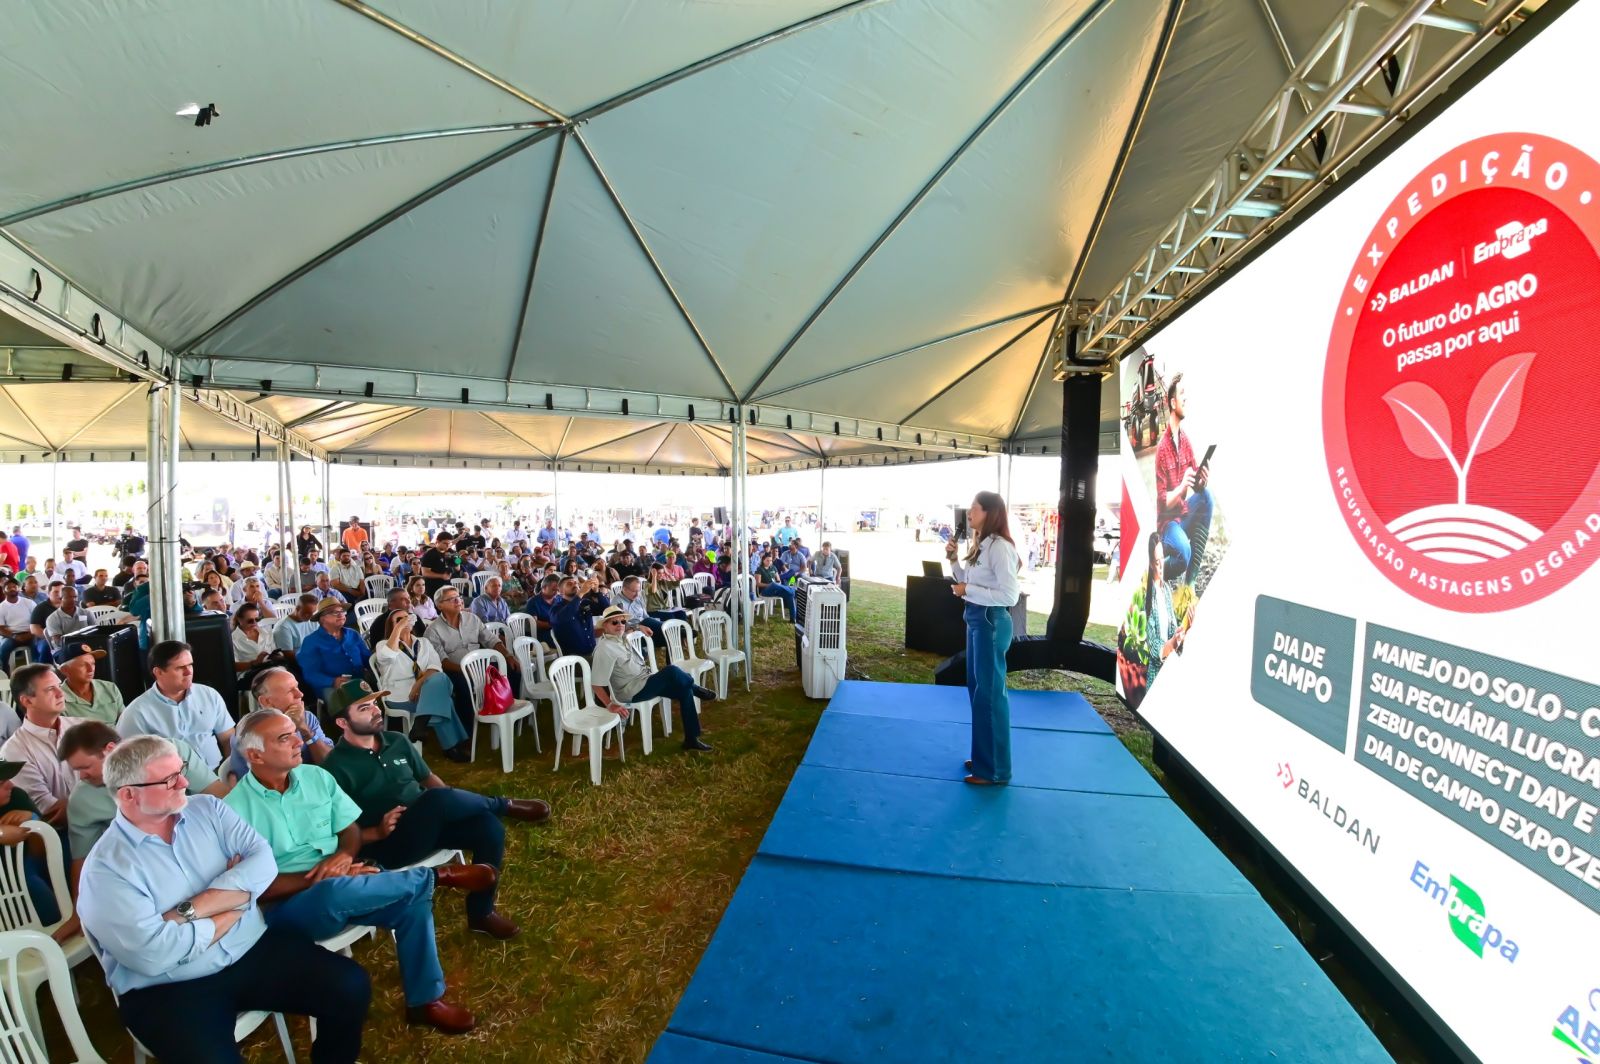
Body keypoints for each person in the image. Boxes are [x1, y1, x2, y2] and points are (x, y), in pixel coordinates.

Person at [77, 735, 372, 1062]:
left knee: (349, 984)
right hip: (168, 987)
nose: (185, 783)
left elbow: (264, 862)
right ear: (128, 795)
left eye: (181, 771)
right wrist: (238, 902)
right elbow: (153, 954)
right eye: (169, 779)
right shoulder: (105, 870)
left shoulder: (208, 809)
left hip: (250, 949)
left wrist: (187, 911)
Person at [226, 708, 492, 1034]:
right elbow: (253, 889)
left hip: (346, 884)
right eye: (285, 738)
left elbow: (350, 829)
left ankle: (424, 1002)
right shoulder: (232, 813)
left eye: (294, 733)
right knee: (334, 890)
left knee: (410, 903)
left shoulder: (316, 777)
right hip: (290, 908)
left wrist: (344, 856)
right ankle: (435, 877)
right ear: (255, 755)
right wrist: (325, 877)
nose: (298, 741)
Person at [322, 679, 550, 938]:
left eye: (375, 703)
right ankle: (503, 804)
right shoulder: (333, 768)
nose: (376, 710)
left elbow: (428, 779)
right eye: (364, 708)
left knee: (489, 828)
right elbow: (335, 833)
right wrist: (377, 831)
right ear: (342, 722)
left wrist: (455, 804)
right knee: (436, 800)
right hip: (390, 844)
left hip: (428, 823)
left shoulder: (396, 741)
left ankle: (481, 914)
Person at [945, 491, 1020, 787]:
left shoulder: (1000, 547)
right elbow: (968, 580)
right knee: (978, 690)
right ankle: (984, 758)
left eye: (974, 508)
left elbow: (1009, 595)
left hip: (990, 621)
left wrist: (968, 591)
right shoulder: (982, 545)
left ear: (989, 513)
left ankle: (995, 770)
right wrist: (954, 561)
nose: (969, 513)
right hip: (977, 619)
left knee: (989, 694)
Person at [590, 606, 715, 752]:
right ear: (605, 625)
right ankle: (697, 689)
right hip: (632, 690)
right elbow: (596, 684)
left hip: (645, 680)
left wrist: (639, 627)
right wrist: (610, 704)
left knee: (684, 690)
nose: (620, 625)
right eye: (614, 622)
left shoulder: (621, 638)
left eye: (622, 621)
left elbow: (629, 627)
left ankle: (691, 739)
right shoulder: (604, 649)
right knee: (671, 670)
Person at [118, 640, 236, 770]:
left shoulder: (209, 695)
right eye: (180, 668)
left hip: (217, 771)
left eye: (190, 665)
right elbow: (128, 761)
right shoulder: (137, 712)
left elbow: (228, 739)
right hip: (172, 779)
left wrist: (232, 772)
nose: (188, 672)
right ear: (158, 672)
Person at [370, 610, 469, 760]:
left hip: (425, 688)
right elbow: (387, 656)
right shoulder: (383, 645)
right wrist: (399, 628)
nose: (404, 621)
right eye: (398, 620)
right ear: (391, 625)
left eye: (406, 618)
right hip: (398, 693)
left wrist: (418, 685)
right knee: (444, 698)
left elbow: (435, 667)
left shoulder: (423, 642)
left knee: (440, 678)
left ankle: (420, 723)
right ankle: (451, 746)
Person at [0, 663, 84, 825]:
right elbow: (48, 811)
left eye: (59, 686)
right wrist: (102, 801)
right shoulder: (14, 751)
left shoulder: (84, 727)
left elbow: (115, 778)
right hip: (60, 833)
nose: (61, 693)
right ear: (27, 701)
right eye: (50, 689)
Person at [223, 666, 333, 783]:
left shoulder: (307, 718)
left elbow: (330, 764)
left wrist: (305, 731)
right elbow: (249, 782)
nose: (300, 694)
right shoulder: (249, 733)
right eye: (290, 691)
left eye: (297, 687)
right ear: (266, 701)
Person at [1153, 372, 1213, 585]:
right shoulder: (1162, 449)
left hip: (1183, 514)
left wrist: (1201, 481)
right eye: (1182, 394)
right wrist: (1180, 488)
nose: (1186, 399)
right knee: (1183, 554)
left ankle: (1190, 584)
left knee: (1206, 497)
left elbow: (1196, 484)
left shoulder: (1185, 441)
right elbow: (1162, 503)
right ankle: (1156, 574)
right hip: (1167, 524)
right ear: (1172, 402)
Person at [296, 598, 372, 703]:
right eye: (334, 612)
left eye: (342, 611)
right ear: (322, 619)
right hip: (330, 686)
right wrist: (332, 681)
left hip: (359, 681)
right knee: (351, 703)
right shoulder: (311, 642)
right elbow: (310, 674)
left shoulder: (353, 634)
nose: (341, 615)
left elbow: (367, 658)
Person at [1144, 532, 1182, 684]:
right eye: (1156, 562)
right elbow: (1154, 647)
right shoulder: (1147, 595)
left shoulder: (1166, 589)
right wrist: (1172, 643)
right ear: (1150, 563)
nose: (1161, 566)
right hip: (1155, 678)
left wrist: (1181, 632)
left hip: (1170, 670)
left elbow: (1172, 628)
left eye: (1162, 559)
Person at [58, 642, 124, 724]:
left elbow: (125, 722)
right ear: (65, 670)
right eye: (83, 665)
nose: (91, 669)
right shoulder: (57, 698)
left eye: (93, 664)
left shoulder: (110, 688)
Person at [0, 578, 40, 668]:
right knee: (3, 649)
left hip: (30, 634)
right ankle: (5, 672)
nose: (12, 589)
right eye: (9, 587)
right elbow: (1, 629)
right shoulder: (1, 607)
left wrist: (31, 634)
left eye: (14, 587)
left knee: (37, 649)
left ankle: (36, 670)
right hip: (12, 636)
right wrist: (14, 636)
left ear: (19, 589)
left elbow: (38, 620)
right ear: (4, 591)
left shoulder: (29, 603)